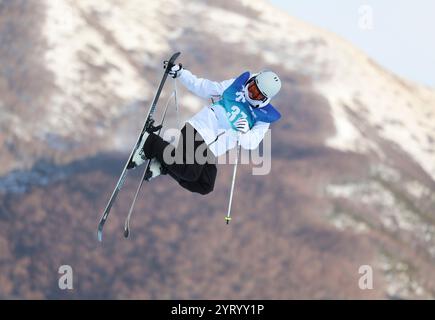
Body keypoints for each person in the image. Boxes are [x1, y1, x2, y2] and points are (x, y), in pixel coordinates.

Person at [128, 63, 282, 195]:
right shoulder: (235, 87)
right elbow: (204, 87)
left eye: (256, 94)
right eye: (252, 86)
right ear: (252, 80)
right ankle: (150, 143)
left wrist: (244, 133)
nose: (250, 92)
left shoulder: (262, 117)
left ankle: (165, 164)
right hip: (199, 128)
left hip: (212, 149)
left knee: (205, 185)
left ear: (264, 99)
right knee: (189, 172)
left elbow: (252, 143)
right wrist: (181, 73)